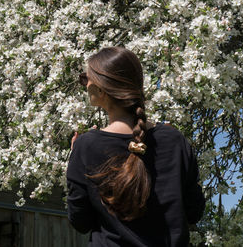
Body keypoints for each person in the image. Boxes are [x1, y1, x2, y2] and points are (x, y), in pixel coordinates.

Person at [66, 47, 205, 247]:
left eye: (84, 78)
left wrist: (75, 158)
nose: (84, 84)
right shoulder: (175, 140)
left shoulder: (86, 146)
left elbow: (81, 221)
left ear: (101, 88)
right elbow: (194, 212)